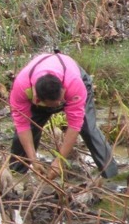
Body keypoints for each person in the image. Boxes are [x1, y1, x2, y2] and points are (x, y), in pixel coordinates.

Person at [9, 50, 118, 179]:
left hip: (74, 81)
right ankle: (15, 176)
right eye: (57, 103)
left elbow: (75, 125)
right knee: (26, 134)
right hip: (39, 94)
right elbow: (22, 126)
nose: (61, 104)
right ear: (38, 100)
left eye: (61, 100)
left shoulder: (73, 84)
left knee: (88, 129)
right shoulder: (21, 87)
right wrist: (34, 160)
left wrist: (59, 161)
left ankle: (111, 175)